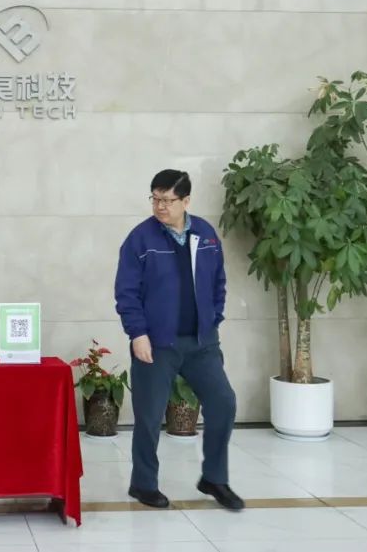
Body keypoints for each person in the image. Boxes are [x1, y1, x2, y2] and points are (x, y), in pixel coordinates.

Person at [114, 169, 244, 511]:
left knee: (223, 403)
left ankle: (214, 477)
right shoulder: (140, 239)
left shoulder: (206, 234)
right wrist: (138, 334)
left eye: (167, 200)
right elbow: (126, 292)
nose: (160, 206)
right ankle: (143, 484)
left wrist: (214, 318)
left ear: (186, 201)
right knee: (148, 416)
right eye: (155, 199)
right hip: (156, 344)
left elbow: (218, 282)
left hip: (202, 343)